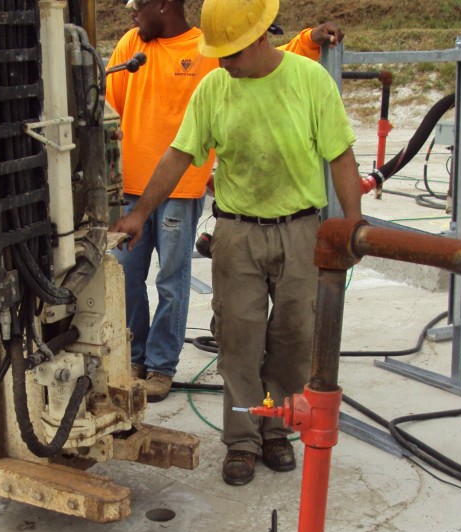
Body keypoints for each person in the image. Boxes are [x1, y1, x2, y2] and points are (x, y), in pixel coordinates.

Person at [109, 0, 362, 485]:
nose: (223, 63)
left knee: (293, 339)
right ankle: (243, 440)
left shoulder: (310, 83)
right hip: (238, 232)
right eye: (218, 54)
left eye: (232, 54)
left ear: (260, 39)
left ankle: (276, 430)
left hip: (300, 229)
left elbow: (341, 158)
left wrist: (350, 227)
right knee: (239, 339)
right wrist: (140, 213)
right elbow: (179, 154)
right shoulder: (214, 89)